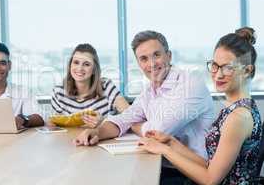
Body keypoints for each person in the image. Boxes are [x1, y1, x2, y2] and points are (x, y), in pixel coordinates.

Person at [73, 31, 215, 182]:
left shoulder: (190, 84)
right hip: (161, 164)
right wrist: (97, 132)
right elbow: (124, 118)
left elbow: (158, 131)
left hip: (190, 173)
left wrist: (134, 125)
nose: (152, 64)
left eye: (156, 55)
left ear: (169, 56)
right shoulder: (150, 90)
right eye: (144, 59)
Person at [138, 27, 262, 185]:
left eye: (228, 67)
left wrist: (164, 150)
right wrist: (171, 142)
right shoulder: (235, 108)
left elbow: (210, 180)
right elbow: (210, 165)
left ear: (246, 71)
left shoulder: (238, 117)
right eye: (215, 65)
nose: (218, 74)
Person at [50, 43, 129, 128]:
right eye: (76, 63)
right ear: (70, 66)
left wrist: (104, 122)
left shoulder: (106, 87)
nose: (80, 68)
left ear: (94, 69)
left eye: (86, 64)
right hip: (70, 140)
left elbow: (130, 115)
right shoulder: (59, 92)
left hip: (102, 139)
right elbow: (53, 124)